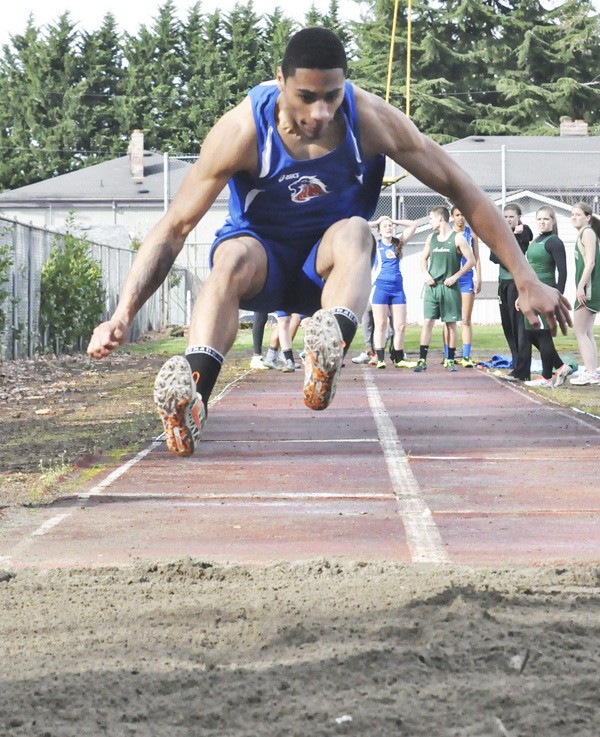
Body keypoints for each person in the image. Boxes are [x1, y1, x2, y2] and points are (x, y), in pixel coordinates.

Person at [86, 27, 571, 458]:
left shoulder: (371, 120)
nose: (320, 112)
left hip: (330, 266)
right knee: (229, 254)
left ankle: (327, 352)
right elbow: (175, 226)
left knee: (359, 229)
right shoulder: (242, 131)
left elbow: (460, 186)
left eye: (333, 96)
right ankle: (194, 395)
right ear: (280, 80)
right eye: (306, 97)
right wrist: (124, 312)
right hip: (264, 258)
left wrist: (525, 278)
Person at [413, 206, 476, 373]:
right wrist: (426, 274)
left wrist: (456, 276)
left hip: (449, 288)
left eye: (431, 219)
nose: (430, 222)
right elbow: (423, 259)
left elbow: (471, 261)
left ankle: (450, 360)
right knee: (427, 322)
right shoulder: (430, 238)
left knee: (450, 324)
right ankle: (421, 360)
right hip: (432, 287)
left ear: (440, 219)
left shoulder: (458, 238)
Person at [520, 207, 571, 388]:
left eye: (546, 219)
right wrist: (522, 296)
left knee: (543, 335)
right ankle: (560, 367)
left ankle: (547, 376)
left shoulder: (554, 242)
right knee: (530, 334)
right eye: (539, 219)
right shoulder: (535, 242)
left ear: (552, 221)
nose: (542, 222)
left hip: (546, 293)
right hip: (531, 294)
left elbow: (563, 272)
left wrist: (557, 296)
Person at [369, 215, 417, 368]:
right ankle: (380, 358)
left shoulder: (397, 243)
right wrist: (377, 221)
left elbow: (413, 224)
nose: (389, 228)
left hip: (397, 289)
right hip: (380, 288)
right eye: (385, 226)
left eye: (390, 226)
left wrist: (393, 221)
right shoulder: (375, 245)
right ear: (379, 231)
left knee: (400, 326)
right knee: (381, 324)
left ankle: (398, 358)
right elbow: (360, 227)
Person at [493, 204, 534, 382]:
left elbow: (520, 249)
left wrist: (518, 235)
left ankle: (523, 370)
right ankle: (516, 365)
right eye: (505, 216)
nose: (508, 219)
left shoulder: (524, 232)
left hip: (516, 283)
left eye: (511, 216)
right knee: (507, 325)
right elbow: (495, 257)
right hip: (503, 283)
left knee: (520, 327)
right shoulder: (500, 232)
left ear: (518, 217)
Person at [569, 201, 600, 386]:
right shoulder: (583, 233)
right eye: (572, 214)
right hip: (589, 287)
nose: (574, 217)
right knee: (586, 332)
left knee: (579, 331)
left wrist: (580, 287)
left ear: (588, 217)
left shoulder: (588, 233)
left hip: (589, 288)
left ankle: (590, 373)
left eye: (578, 214)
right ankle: (592, 371)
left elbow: (591, 263)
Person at [446, 205, 481, 367]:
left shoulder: (471, 234)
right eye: (457, 215)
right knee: (449, 319)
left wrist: (479, 278)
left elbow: (476, 257)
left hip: (467, 279)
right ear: (452, 217)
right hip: (451, 280)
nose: (460, 218)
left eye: (463, 214)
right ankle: (448, 355)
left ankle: (466, 356)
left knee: (465, 319)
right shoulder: (448, 234)